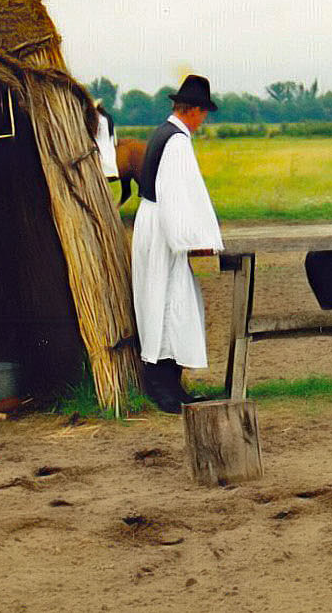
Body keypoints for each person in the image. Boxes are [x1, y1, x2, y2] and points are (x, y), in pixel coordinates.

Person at [131, 74, 224, 413]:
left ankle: (171, 385)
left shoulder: (164, 133)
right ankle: (163, 388)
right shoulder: (177, 141)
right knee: (165, 301)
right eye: (204, 114)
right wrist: (189, 238)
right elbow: (176, 195)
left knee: (168, 300)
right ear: (195, 111)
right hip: (163, 228)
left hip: (155, 223)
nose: (203, 121)